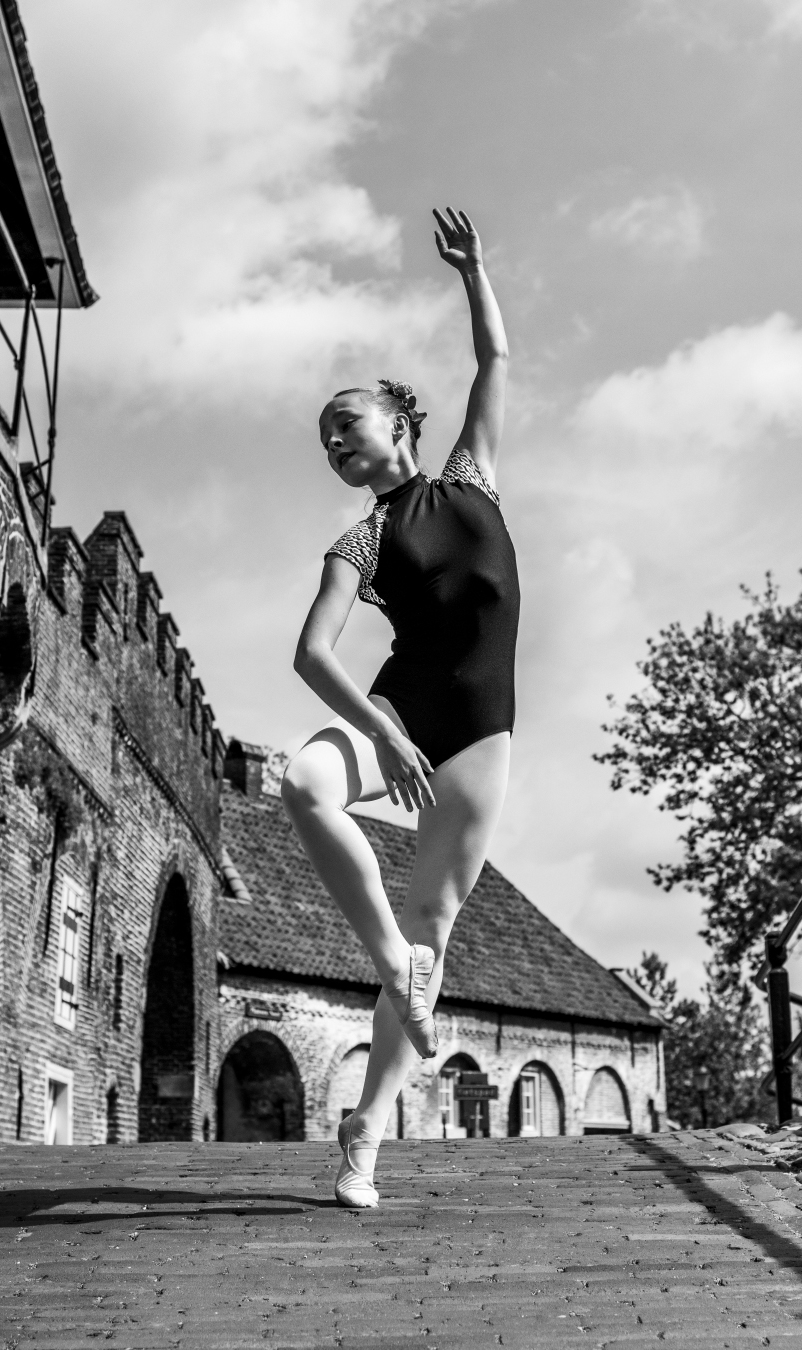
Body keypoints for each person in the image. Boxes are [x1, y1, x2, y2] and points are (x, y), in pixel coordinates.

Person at [281, 208, 513, 1208]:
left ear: (399, 426)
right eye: (325, 437)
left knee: (436, 926)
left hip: (479, 734)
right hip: (400, 714)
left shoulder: (472, 479)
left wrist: (471, 271)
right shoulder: (358, 543)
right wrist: (381, 731)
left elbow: (494, 355)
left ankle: (364, 1144)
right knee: (303, 780)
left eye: (348, 422)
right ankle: (389, 960)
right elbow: (311, 652)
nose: (334, 440)